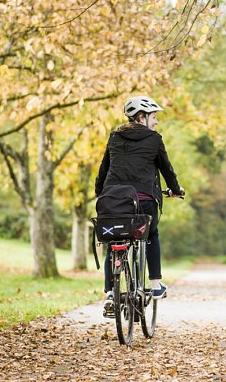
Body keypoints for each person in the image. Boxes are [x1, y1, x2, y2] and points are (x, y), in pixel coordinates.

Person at [95, 95, 184, 315]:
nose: (156, 122)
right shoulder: (154, 139)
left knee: (115, 237)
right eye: (154, 117)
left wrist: (100, 192)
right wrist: (175, 189)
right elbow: (166, 169)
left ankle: (109, 292)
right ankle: (155, 286)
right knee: (151, 235)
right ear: (141, 117)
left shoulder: (115, 137)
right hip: (143, 201)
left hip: (113, 200)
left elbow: (104, 169)